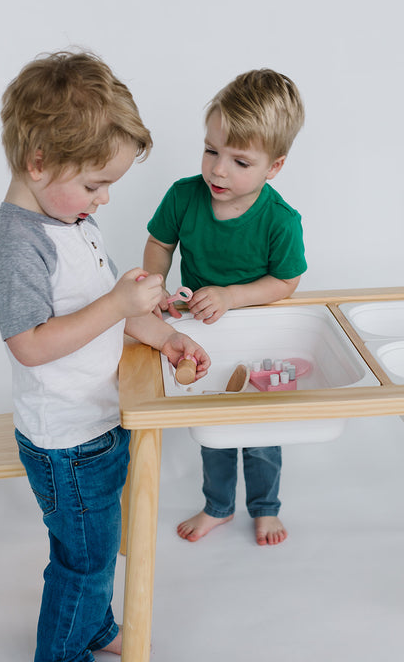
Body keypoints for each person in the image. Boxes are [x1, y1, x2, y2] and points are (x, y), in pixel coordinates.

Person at [0, 50, 210, 662]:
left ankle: (97, 622)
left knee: (99, 546)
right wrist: (115, 304)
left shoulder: (70, 219)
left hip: (98, 421)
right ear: (39, 161)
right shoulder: (15, 244)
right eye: (95, 183)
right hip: (65, 441)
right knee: (82, 560)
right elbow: (30, 344)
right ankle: (61, 651)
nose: (103, 199)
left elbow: (106, 310)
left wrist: (166, 337)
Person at [143, 69, 307, 547]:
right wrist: (157, 288)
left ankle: (265, 507)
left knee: (259, 435)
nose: (217, 170)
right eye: (212, 151)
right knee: (213, 428)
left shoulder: (281, 220)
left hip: (260, 337)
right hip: (202, 332)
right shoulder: (183, 195)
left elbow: (287, 281)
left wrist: (233, 295)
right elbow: (159, 242)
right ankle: (217, 504)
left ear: (273, 166)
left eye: (240, 161)